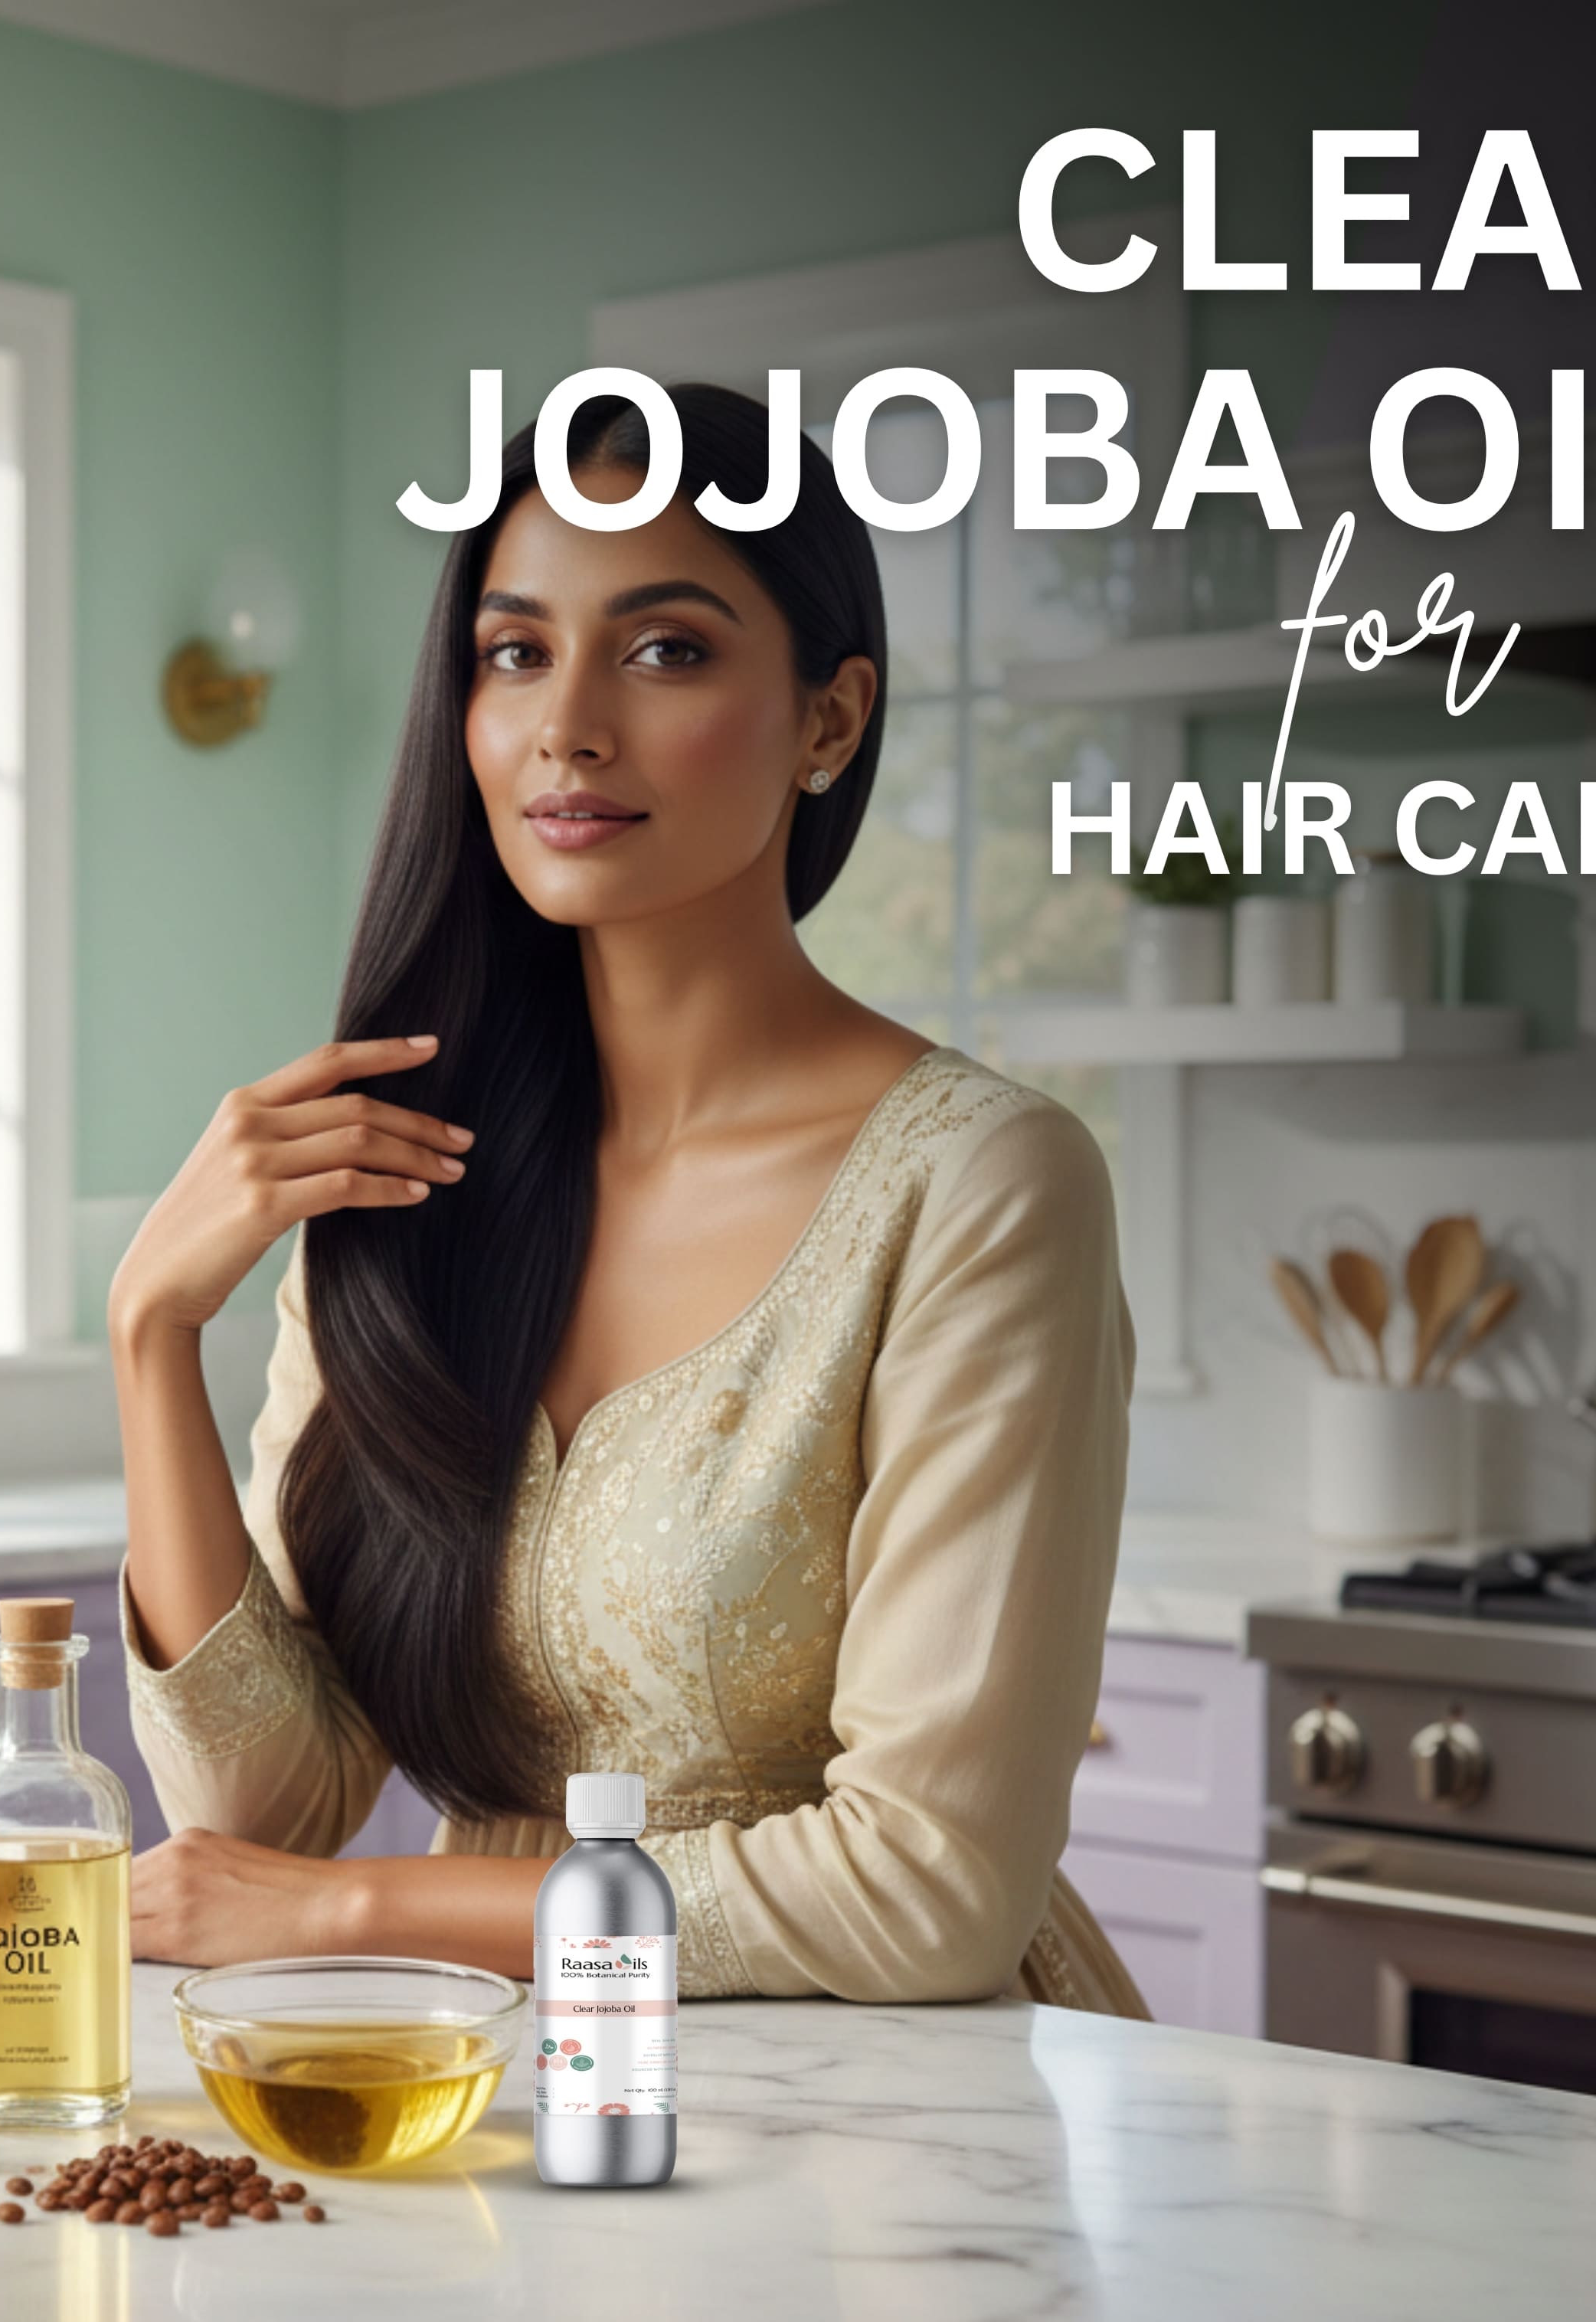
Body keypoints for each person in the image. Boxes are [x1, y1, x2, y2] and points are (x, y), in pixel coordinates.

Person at [109, 381, 1147, 2018]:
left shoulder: (978, 1182)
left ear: (829, 717)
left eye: (664, 650)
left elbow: (925, 1891)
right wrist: (152, 1329)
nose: (565, 725)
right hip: (519, 2083)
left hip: (896, 2142)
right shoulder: (405, 1176)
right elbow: (257, 1813)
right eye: (515, 651)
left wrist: (355, 1904)